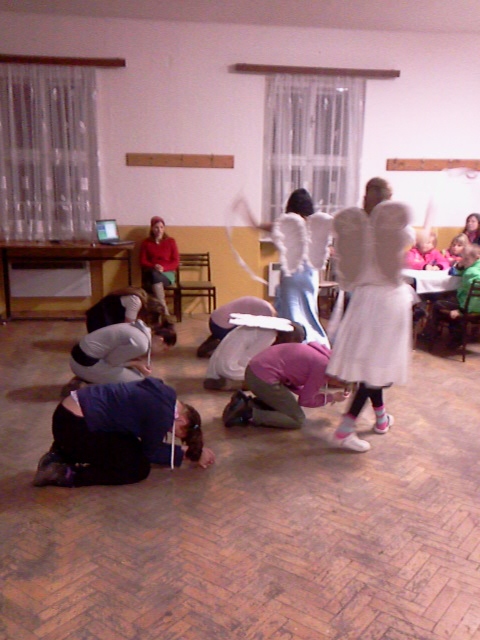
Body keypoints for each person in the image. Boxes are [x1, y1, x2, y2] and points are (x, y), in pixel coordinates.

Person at [326, 177, 416, 452]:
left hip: (363, 301)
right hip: (387, 303)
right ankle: (345, 430)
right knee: (374, 368)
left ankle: (381, 418)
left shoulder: (356, 228)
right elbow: (412, 241)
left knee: (370, 365)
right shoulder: (397, 230)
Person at [33, 377, 215, 487]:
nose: (169, 433)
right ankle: (66, 474)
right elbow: (150, 452)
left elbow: (144, 442)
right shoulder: (162, 414)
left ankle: (61, 453)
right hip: (76, 428)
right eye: (177, 433)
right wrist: (187, 454)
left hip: (67, 417)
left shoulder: (163, 394)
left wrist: (181, 451)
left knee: (129, 445)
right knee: (137, 468)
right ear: (182, 420)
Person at [221, 341, 349, 429]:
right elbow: (305, 401)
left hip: (255, 370)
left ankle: (245, 403)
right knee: (296, 419)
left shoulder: (324, 355)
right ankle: (247, 413)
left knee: (285, 405)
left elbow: (295, 383)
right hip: (262, 378)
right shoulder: (323, 367)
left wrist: (320, 394)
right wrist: (331, 397)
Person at [271, 188, 332, 346]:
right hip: (309, 276)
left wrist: (251, 220)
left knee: (291, 313)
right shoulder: (315, 226)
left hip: (291, 276)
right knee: (309, 312)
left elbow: (270, 228)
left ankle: (294, 345)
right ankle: (315, 343)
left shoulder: (288, 225)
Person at [204, 319, 305, 390]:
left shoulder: (266, 326)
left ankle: (227, 381)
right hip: (229, 367)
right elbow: (247, 361)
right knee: (267, 380)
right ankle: (230, 384)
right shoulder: (269, 335)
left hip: (217, 367)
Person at [68, 320, 167, 386]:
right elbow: (112, 361)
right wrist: (137, 364)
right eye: (164, 349)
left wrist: (136, 363)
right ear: (160, 340)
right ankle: (87, 385)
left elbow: (113, 354)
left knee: (135, 373)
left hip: (79, 358)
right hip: (84, 364)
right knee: (139, 383)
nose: (162, 352)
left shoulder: (140, 330)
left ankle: (89, 380)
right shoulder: (141, 344)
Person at [422, 244, 480, 347]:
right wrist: (460, 266)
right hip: (469, 303)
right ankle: (454, 336)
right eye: (462, 258)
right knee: (449, 299)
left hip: (470, 306)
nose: (463, 261)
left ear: (477, 257)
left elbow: (475, 298)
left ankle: (431, 335)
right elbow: (457, 271)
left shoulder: (471, 272)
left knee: (438, 304)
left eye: (466, 259)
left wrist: (461, 310)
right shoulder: (474, 267)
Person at [196, 296, 276, 358]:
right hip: (222, 327)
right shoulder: (267, 311)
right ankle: (218, 344)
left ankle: (214, 340)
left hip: (214, 321)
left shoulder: (264, 304)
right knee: (247, 339)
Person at [139, 216, 180, 317]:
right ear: (152, 228)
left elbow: (175, 261)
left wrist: (164, 268)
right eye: (156, 227)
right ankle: (164, 310)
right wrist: (154, 266)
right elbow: (142, 261)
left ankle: (162, 310)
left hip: (167, 273)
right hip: (152, 272)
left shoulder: (171, 241)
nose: (159, 230)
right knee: (153, 274)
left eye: (161, 227)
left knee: (154, 278)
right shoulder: (146, 243)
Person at [85, 286, 151, 332]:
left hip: (94, 317)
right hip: (100, 322)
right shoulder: (135, 301)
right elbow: (128, 326)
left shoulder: (134, 294)